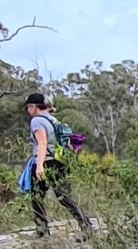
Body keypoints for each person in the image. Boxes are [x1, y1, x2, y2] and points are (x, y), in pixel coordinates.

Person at [21, 92, 92, 238]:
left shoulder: (37, 121)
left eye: (28, 107)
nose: (28, 111)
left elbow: (42, 142)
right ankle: (86, 225)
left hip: (45, 162)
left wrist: (39, 166)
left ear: (34, 107)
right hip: (59, 162)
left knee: (36, 196)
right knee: (64, 197)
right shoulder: (52, 119)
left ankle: (42, 230)